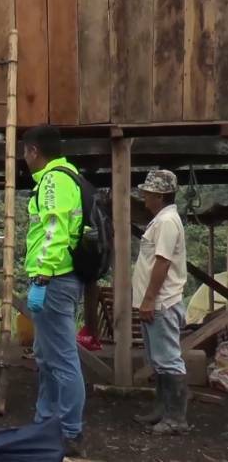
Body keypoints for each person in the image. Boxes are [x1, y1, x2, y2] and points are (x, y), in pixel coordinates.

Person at [22, 125, 86, 456]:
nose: (24, 158)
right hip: (58, 277)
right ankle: (45, 421)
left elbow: (53, 229)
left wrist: (42, 277)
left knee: (61, 359)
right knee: (46, 357)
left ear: (34, 151)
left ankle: (69, 431)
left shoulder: (53, 180)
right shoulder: (64, 176)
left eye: (25, 152)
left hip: (55, 279)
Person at [132, 170, 190, 435]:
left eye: (149, 191)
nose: (144, 194)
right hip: (156, 302)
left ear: (160, 195)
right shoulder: (162, 219)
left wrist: (149, 299)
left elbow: (163, 262)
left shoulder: (167, 221)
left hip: (161, 302)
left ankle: (176, 418)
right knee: (158, 359)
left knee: (168, 360)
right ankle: (162, 410)